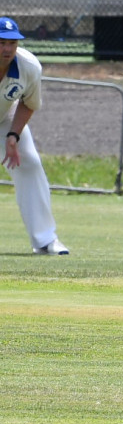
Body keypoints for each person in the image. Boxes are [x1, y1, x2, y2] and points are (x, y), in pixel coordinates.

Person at [0, 16, 68, 255]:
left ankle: (45, 240)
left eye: (12, 43)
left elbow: (28, 103)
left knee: (29, 163)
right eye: (1, 42)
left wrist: (13, 136)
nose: (7, 49)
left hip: (3, 118)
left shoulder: (29, 66)